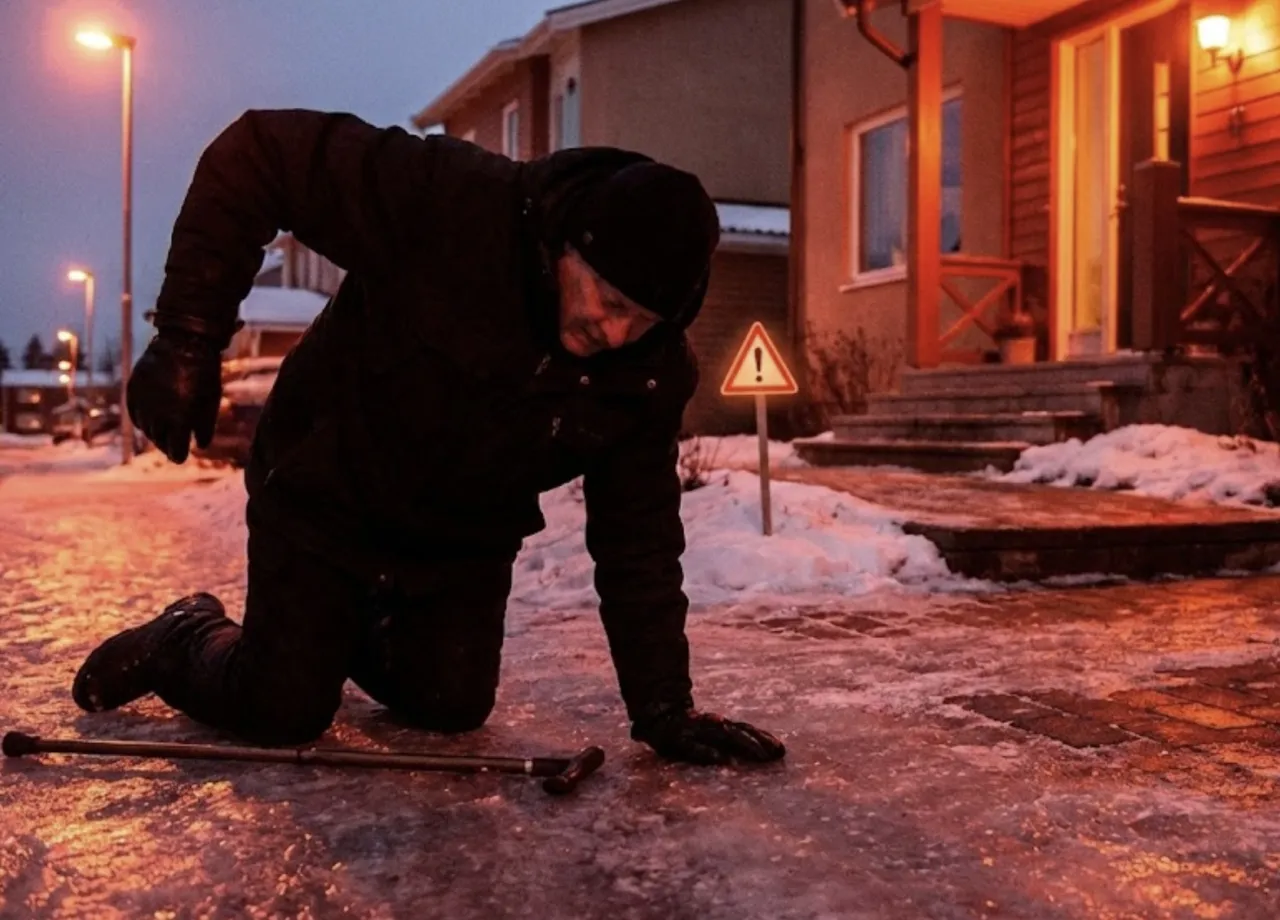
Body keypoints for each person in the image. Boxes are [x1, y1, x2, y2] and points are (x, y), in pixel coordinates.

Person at [71, 109, 786, 767]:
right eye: (610, 300)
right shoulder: (453, 205)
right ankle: (185, 636)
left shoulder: (647, 375)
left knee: (451, 706)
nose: (615, 333)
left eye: (644, 321)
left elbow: (641, 542)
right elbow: (258, 153)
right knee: (282, 708)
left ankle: (326, 630)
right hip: (328, 485)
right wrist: (188, 340)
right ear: (568, 246)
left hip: (459, 538)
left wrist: (663, 706)